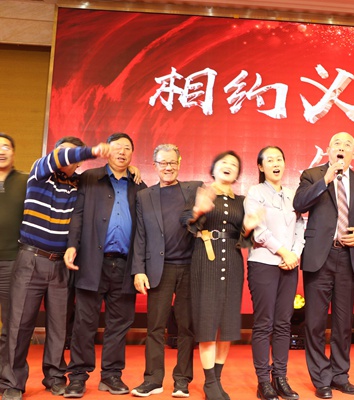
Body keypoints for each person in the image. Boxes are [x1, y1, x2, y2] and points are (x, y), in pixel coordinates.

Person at [0, 137, 111, 400]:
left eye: (73, 155)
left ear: (79, 162)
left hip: (62, 263)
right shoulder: (41, 172)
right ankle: (12, 383)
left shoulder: (80, 184)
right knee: (19, 325)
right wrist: (92, 150)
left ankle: (55, 377)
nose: (66, 158)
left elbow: (110, 179)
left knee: (59, 325)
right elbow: (58, 158)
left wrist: (134, 170)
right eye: (62, 153)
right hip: (30, 259)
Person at [293, 132, 354, 399]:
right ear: (329, 150)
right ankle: (321, 378)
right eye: (337, 144)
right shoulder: (312, 175)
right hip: (320, 256)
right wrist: (326, 180)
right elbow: (299, 204)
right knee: (315, 322)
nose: (342, 147)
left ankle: (340, 376)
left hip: (347, 256)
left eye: (347, 145)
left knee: (343, 323)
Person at [63, 133, 147, 398]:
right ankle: (78, 376)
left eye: (127, 148)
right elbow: (77, 215)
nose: (122, 152)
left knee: (119, 325)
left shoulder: (139, 186)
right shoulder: (89, 178)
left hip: (124, 265)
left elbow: (143, 230)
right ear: (108, 151)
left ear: (132, 154)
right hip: (91, 261)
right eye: (117, 147)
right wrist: (72, 245)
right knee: (84, 323)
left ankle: (111, 375)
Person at [181, 150, 259, 400]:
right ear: (213, 169)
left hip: (233, 263)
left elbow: (244, 239)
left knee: (227, 325)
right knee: (207, 322)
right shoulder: (199, 192)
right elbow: (185, 221)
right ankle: (210, 382)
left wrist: (248, 229)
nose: (229, 166)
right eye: (224, 162)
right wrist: (198, 210)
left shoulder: (241, 201)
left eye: (234, 165)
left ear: (238, 174)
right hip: (205, 260)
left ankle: (216, 379)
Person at [130, 144, 200, 398]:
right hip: (159, 269)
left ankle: (182, 380)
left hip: (190, 268)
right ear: (155, 165)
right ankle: (153, 379)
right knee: (155, 327)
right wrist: (138, 270)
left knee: (186, 328)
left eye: (172, 162)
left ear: (179, 163)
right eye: (163, 163)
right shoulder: (144, 196)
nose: (168, 167)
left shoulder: (194, 189)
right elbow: (140, 235)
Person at [244, 146, 305, 400]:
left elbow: (301, 226)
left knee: (283, 324)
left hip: (289, 265)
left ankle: (280, 378)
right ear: (261, 167)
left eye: (279, 159)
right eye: (269, 160)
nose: (276, 163)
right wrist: (283, 252)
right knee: (264, 324)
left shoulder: (292, 195)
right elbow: (258, 230)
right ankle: (263, 382)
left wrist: (295, 254)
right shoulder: (255, 193)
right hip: (263, 264)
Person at [0, 132, 27, 382]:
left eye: (6, 146)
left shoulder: (26, 181)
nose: (1, 151)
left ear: (14, 152)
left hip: (12, 262)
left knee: (11, 324)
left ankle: (6, 377)